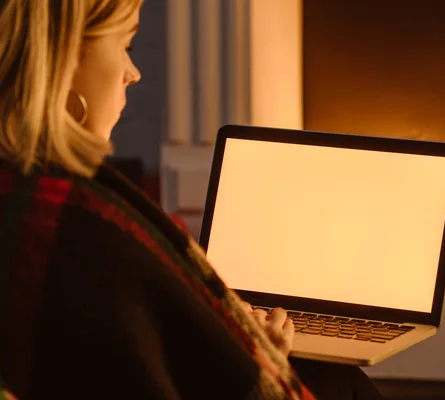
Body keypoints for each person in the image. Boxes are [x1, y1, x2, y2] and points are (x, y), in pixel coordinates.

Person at [0, 1, 383, 399]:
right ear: (63, 56)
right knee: (343, 384)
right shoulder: (86, 232)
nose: (133, 74)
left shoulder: (23, 195)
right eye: (125, 45)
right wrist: (251, 355)